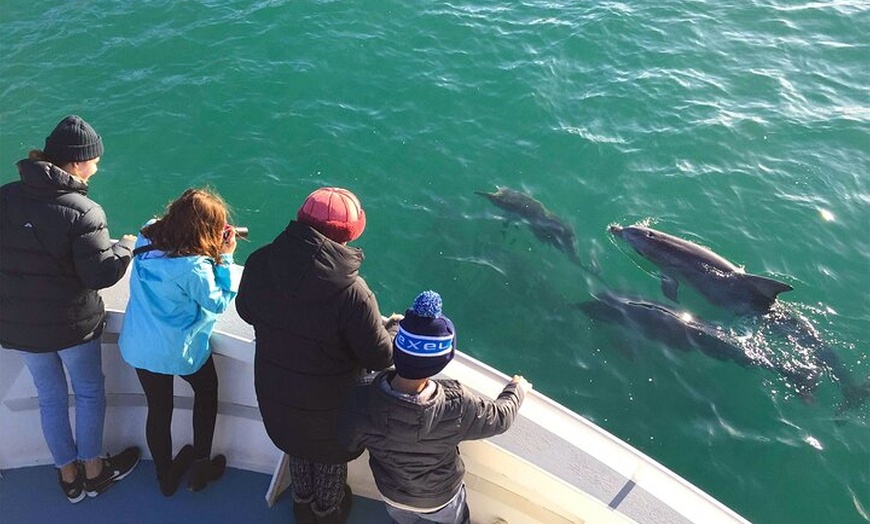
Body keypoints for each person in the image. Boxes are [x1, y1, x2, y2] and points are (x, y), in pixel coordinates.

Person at [236, 187, 400, 524]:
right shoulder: (354, 293)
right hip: (333, 414)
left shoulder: (259, 262)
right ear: (350, 233)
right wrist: (394, 329)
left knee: (297, 445)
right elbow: (380, 357)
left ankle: (301, 500)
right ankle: (326, 511)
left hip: (276, 400)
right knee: (329, 458)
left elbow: (245, 311)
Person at [0, 115, 142, 503]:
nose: (97, 166)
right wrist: (126, 246)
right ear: (77, 164)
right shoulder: (85, 211)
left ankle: (68, 475)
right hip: (71, 326)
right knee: (89, 393)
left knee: (49, 396)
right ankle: (94, 471)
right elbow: (102, 275)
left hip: (19, 327)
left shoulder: (6, 196)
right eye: (95, 159)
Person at [342, 290, 531, 524]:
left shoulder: (360, 397)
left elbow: (349, 443)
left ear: (397, 350)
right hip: (441, 498)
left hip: (393, 494)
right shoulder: (458, 404)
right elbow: (500, 418)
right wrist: (517, 388)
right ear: (442, 360)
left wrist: (394, 326)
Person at [118, 188, 240, 496]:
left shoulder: (148, 234)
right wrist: (225, 257)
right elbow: (217, 302)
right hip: (180, 352)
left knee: (159, 409)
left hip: (141, 346)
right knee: (206, 392)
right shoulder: (195, 268)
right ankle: (201, 466)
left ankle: (165, 476)